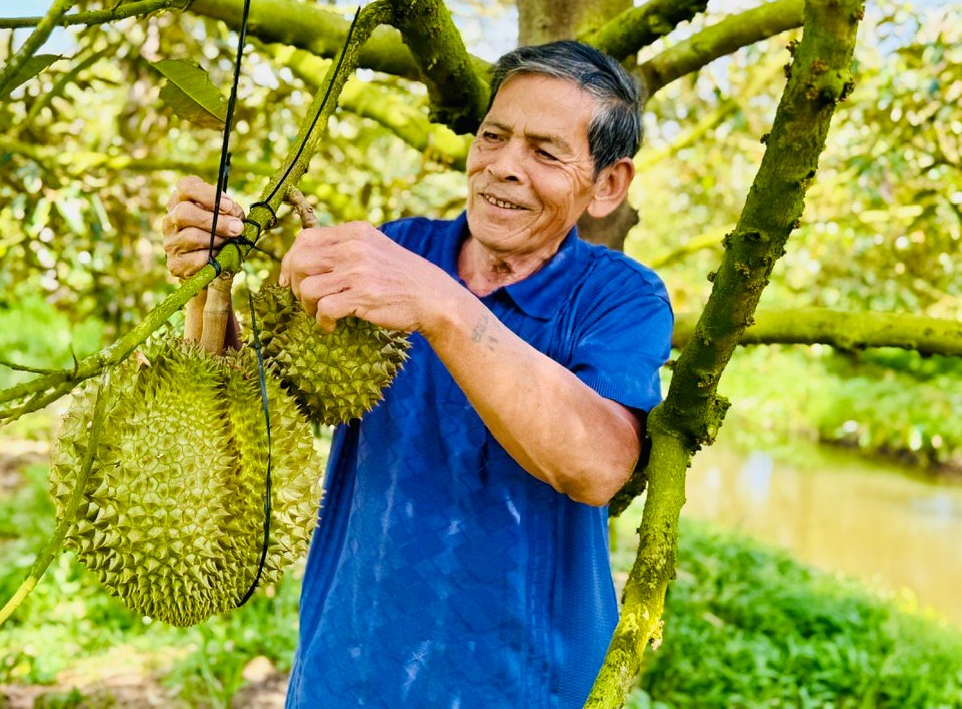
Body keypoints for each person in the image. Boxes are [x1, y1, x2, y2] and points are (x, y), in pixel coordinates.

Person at [162, 41, 673, 708]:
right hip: (348, 674)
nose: (503, 168)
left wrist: (442, 307)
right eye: (493, 136)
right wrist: (214, 289)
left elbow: (598, 465)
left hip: (526, 687)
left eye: (545, 153)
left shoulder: (618, 297)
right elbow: (268, 402)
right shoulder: (392, 250)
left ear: (607, 185)